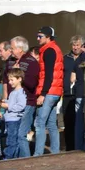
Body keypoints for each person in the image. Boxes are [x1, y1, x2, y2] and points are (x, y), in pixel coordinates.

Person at [3, 36, 40, 154]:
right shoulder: (10, 61)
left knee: (21, 134)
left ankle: (25, 160)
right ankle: (16, 157)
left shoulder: (31, 62)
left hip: (27, 102)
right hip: (11, 102)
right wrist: (5, 96)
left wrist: (20, 74)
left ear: (20, 48)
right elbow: (5, 79)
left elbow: (32, 83)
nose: (10, 50)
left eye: (12, 48)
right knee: (13, 134)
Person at [33, 26, 64, 157]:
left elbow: (49, 74)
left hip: (50, 91)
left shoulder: (49, 51)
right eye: (37, 35)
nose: (38, 38)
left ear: (48, 37)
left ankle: (38, 153)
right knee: (51, 124)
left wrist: (43, 94)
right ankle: (55, 152)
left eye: (40, 36)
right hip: (55, 91)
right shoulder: (54, 49)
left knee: (40, 123)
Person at [62, 35, 84, 151]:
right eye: (74, 45)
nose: (75, 47)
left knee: (79, 121)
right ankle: (69, 147)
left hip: (79, 93)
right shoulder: (65, 58)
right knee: (68, 121)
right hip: (67, 94)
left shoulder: (84, 58)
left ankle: (78, 146)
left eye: (77, 45)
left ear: (82, 46)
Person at [3, 67, 28, 159]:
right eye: (9, 80)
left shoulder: (21, 92)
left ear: (19, 79)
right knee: (11, 138)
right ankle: (13, 156)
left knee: (12, 140)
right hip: (10, 118)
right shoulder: (13, 92)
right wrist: (5, 101)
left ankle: (9, 156)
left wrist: (8, 106)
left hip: (15, 119)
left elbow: (21, 106)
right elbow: (12, 103)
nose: (10, 82)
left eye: (12, 80)